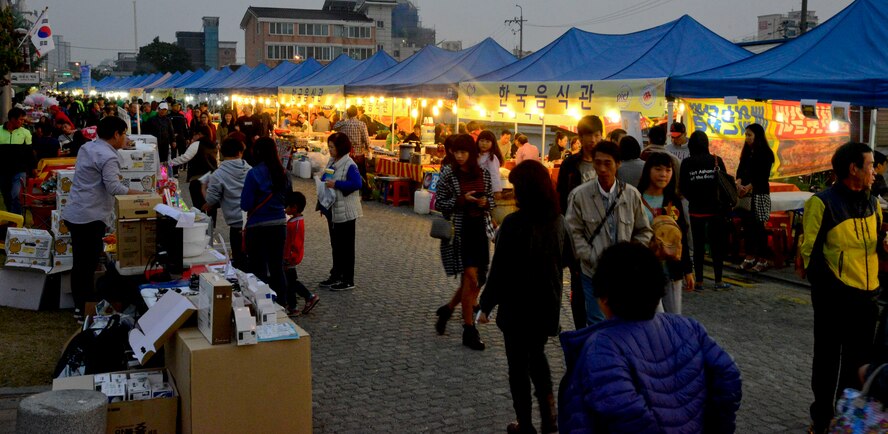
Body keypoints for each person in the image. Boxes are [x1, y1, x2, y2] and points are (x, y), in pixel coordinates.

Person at [559, 242, 742, 432]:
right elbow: (728, 374)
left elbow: (625, 414)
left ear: (604, 297)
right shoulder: (688, 327)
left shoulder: (601, 348)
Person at [478, 160, 570, 434]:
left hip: (517, 306)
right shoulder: (558, 221)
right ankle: (550, 418)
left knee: (518, 366)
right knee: (537, 357)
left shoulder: (513, 223)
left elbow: (500, 271)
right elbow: (568, 258)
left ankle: (526, 425)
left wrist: (485, 306)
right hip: (546, 303)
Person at [799, 142, 883, 433]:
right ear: (853, 169)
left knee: (856, 365)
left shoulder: (872, 203)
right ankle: (821, 420)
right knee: (826, 363)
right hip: (834, 299)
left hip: (867, 298)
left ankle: (843, 418)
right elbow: (810, 255)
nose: (875, 171)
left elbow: (874, 250)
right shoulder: (822, 203)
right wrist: (834, 292)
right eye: (870, 165)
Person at [62, 117, 142, 321]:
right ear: (116, 134)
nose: (125, 138)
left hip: (76, 211)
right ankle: (84, 309)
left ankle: (80, 306)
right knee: (86, 265)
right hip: (90, 216)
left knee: (81, 263)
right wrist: (141, 195)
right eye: (124, 134)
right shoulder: (109, 156)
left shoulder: (88, 147)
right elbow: (114, 187)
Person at [565, 140, 652, 326]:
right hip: (593, 272)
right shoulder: (579, 195)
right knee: (597, 322)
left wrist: (631, 256)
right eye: (598, 163)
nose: (602, 169)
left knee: (625, 320)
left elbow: (644, 230)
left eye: (608, 163)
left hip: (625, 275)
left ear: (618, 164)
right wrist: (590, 256)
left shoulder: (631, 195)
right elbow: (574, 233)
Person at [433, 134, 495, 350]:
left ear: (472, 153)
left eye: (463, 152)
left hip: (479, 231)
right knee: (470, 278)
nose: (459, 156)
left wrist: (485, 202)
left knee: (475, 280)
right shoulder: (449, 175)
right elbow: (440, 202)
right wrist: (461, 200)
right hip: (461, 233)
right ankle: (469, 330)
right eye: (456, 152)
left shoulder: (483, 174)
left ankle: (448, 309)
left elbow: (492, 199)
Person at [557, 115, 603, 329]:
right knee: (577, 284)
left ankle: (599, 330)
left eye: (596, 135)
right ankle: (580, 330)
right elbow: (562, 198)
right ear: (580, 137)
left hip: (604, 232)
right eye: (588, 135)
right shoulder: (570, 164)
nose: (592, 140)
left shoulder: (607, 162)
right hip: (577, 233)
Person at [637, 152, 694, 313]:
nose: (663, 174)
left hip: (672, 269)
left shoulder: (673, 200)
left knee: (674, 318)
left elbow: (681, 234)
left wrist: (688, 270)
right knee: (655, 318)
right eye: (658, 169)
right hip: (645, 272)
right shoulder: (636, 197)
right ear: (648, 170)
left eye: (668, 170)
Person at [679, 131, 731, 291]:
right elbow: (725, 185)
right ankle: (718, 280)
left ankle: (699, 281)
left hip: (696, 210)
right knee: (717, 246)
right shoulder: (716, 160)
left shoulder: (687, 163)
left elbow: (683, 187)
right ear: (707, 144)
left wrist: (694, 198)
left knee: (698, 245)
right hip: (716, 210)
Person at [241, 137, 290, 302]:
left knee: (258, 268)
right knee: (277, 267)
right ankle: (282, 303)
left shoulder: (253, 174)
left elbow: (246, 204)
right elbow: (288, 199)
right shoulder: (283, 173)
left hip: (258, 227)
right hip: (279, 225)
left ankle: (262, 304)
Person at [320, 132, 364, 291]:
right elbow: (326, 180)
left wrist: (337, 184)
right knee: (336, 245)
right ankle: (336, 274)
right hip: (334, 210)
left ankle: (348, 279)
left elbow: (357, 184)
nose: (330, 150)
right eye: (329, 146)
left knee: (346, 246)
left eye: (332, 147)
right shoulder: (332, 162)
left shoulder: (349, 164)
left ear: (340, 147)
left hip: (346, 211)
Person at [204, 138, 251, 270]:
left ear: (222, 153)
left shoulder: (218, 174)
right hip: (253, 221)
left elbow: (211, 200)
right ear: (240, 152)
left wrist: (203, 188)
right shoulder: (250, 170)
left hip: (236, 224)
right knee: (254, 261)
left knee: (240, 262)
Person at [736, 123, 775, 272]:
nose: (747, 138)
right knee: (747, 226)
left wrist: (749, 186)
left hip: (759, 193)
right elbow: (740, 169)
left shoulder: (766, 153)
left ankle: (763, 258)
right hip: (745, 195)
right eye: (746, 135)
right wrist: (739, 183)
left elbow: (762, 175)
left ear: (757, 136)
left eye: (749, 135)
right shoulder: (746, 152)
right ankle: (750, 256)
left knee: (759, 226)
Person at [282, 190, 320, 316]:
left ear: (294, 207)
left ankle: (308, 297)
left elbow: (296, 244)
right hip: (288, 256)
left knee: (291, 283)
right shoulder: (293, 221)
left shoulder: (296, 223)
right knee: (290, 283)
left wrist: (290, 257)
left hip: (290, 258)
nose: (285, 209)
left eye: (287, 206)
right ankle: (293, 306)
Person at [170, 126, 218, 213]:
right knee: (211, 206)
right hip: (212, 179)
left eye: (194, 135)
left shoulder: (197, 144)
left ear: (199, 134)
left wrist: (170, 163)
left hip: (198, 180)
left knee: (199, 207)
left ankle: (202, 225)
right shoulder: (213, 145)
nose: (193, 138)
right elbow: (216, 162)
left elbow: (185, 157)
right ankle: (211, 225)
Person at [0, 107, 33, 214]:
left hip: (19, 170)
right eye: (21, 119)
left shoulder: (26, 133)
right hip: (3, 171)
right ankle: (12, 218)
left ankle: (18, 221)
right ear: (12, 119)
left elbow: (30, 152)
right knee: (6, 195)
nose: (23, 122)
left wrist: (33, 168)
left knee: (16, 195)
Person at [334, 106, 371, 199]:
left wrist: (343, 118)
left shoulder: (344, 124)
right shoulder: (361, 124)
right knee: (361, 173)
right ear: (357, 113)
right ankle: (365, 194)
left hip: (347, 154)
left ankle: (347, 191)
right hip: (359, 154)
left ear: (347, 113)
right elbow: (366, 140)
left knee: (346, 172)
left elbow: (334, 127)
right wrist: (368, 149)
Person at [476, 130, 504, 198]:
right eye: (482, 140)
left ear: (493, 143)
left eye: (487, 141)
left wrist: (497, 190)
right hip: (477, 187)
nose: (484, 143)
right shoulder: (476, 155)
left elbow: (494, 174)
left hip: (487, 189)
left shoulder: (492, 158)